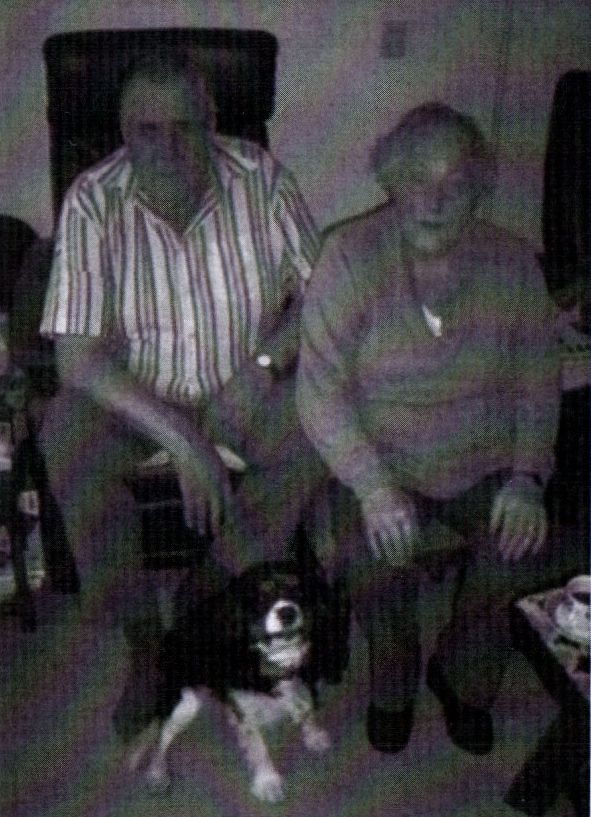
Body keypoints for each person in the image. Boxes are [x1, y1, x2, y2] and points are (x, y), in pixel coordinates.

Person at [38, 55, 319, 738]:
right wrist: (183, 437)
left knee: (314, 425)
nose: (165, 147)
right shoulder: (92, 199)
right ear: (121, 131)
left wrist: (262, 366)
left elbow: (324, 298)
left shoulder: (262, 178)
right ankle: (145, 640)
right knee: (65, 434)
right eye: (146, 130)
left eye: (185, 127)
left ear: (212, 123)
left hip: (244, 386)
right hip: (136, 396)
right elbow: (76, 359)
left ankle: (208, 590)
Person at [296, 102, 561, 755]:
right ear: (390, 178)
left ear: (479, 188)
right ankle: (394, 681)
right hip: (382, 461)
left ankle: (461, 676)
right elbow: (319, 390)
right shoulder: (349, 255)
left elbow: (538, 377)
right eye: (417, 178)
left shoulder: (513, 264)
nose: (434, 200)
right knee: (371, 561)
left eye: (454, 183)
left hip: (485, 462)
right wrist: (372, 487)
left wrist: (527, 476)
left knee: (517, 555)